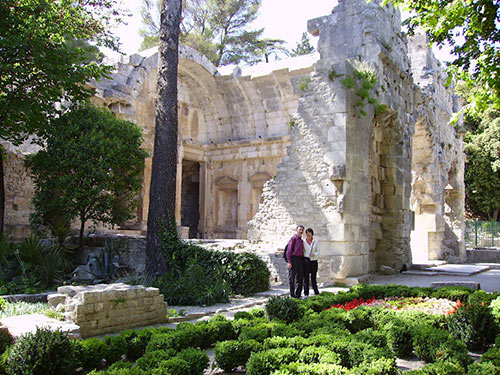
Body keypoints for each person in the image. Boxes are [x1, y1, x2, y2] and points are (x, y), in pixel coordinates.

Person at [286, 224, 305, 298]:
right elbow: (289, 251)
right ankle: (292, 294)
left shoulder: (301, 240)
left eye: (302, 230)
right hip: (293, 259)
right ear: (297, 230)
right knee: (292, 278)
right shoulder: (293, 239)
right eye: (299, 229)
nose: (301, 231)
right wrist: (289, 262)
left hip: (300, 260)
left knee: (300, 278)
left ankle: (298, 294)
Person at [303, 228, 320, 296]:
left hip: (313, 261)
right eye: (307, 233)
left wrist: (314, 254)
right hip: (306, 260)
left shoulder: (315, 241)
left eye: (309, 232)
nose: (308, 234)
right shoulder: (303, 241)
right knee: (306, 278)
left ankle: (316, 292)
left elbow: (318, 251)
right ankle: (306, 293)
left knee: (313, 278)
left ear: (312, 234)